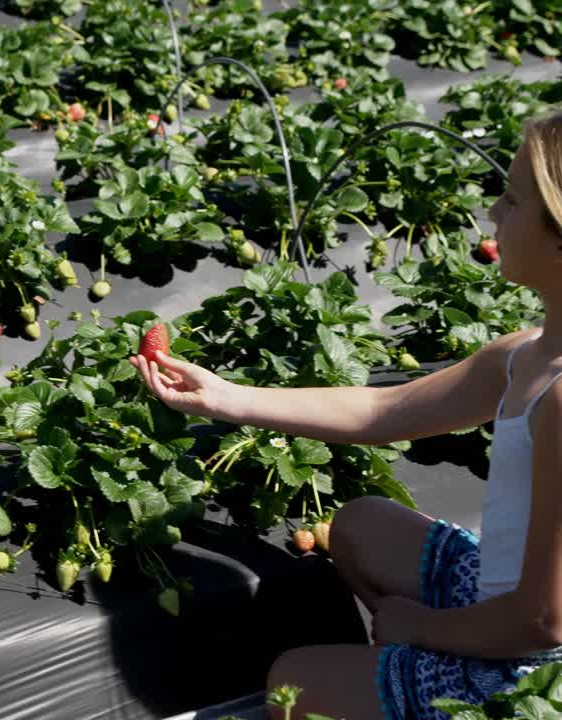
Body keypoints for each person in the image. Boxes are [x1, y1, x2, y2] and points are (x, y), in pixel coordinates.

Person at [133, 110, 562, 720]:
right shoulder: (526, 353)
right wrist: (225, 396)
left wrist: (419, 627)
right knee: (361, 526)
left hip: (539, 670)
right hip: (511, 595)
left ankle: (428, 688)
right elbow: (382, 409)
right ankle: (399, 683)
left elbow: (544, 622)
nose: (493, 213)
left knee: (291, 688)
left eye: (513, 200)